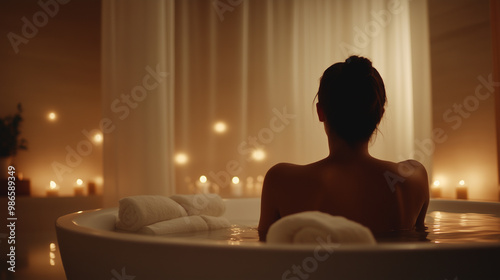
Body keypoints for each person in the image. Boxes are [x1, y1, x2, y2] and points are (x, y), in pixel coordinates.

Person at [258, 56, 429, 242]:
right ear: (380, 114)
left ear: (320, 112)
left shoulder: (281, 180)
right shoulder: (414, 176)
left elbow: (267, 259)